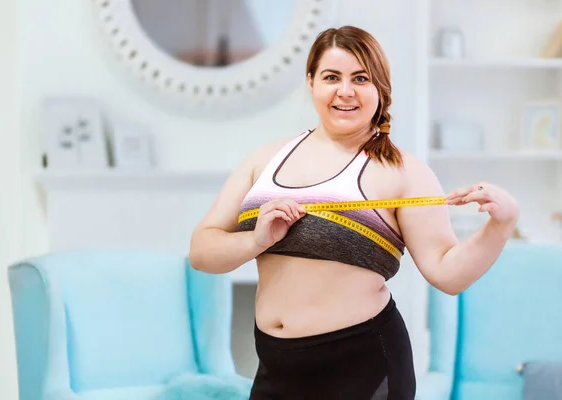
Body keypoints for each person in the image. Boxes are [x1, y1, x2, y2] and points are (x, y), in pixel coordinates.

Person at [189, 25, 519, 400]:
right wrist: (255, 240)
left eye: (360, 78)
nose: (345, 91)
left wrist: (501, 223)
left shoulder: (403, 173)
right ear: (311, 82)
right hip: (275, 367)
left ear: (380, 88)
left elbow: (447, 274)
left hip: (363, 369)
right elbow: (202, 251)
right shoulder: (264, 160)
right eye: (332, 77)